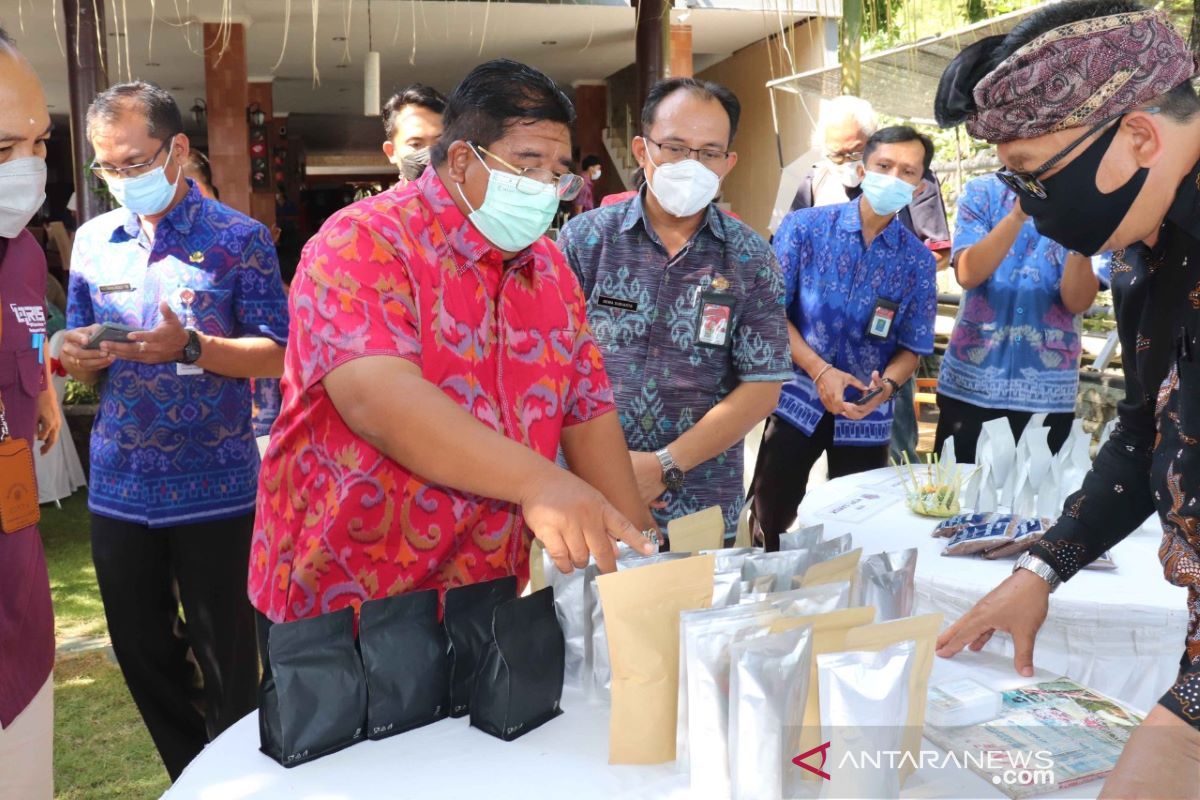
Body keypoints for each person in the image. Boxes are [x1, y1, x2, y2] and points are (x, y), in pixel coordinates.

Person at [249, 58, 657, 642]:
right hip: (343, 600)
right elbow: (377, 400)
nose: (546, 188)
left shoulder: (551, 271)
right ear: (462, 159)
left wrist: (642, 554)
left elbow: (587, 412)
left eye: (558, 173)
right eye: (528, 165)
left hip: (486, 596)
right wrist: (540, 483)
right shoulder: (362, 241)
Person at [933, 2, 1200, 794]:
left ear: (1141, 138)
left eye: (1036, 176)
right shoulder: (1143, 248)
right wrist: (1042, 569)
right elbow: (1148, 430)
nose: (1035, 211)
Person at [61, 81, 289, 781]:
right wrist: (77, 354)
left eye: (135, 162)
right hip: (121, 488)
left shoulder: (239, 239)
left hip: (217, 490)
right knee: (141, 651)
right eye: (108, 168)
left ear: (178, 150)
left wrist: (190, 347)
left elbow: (281, 351)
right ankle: (193, 781)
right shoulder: (94, 242)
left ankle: (241, 782)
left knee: (229, 664)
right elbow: (83, 363)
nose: (122, 179)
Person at [558, 78, 791, 540]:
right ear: (643, 150)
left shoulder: (751, 257)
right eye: (676, 147)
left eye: (709, 153)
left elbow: (763, 386)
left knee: (692, 611)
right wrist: (608, 470)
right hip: (584, 490)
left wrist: (664, 466)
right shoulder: (585, 241)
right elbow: (550, 366)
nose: (692, 164)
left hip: (698, 502)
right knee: (581, 610)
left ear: (728, 163)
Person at [750, 126, 938, 547]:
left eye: (907, 172)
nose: (893, 178)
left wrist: (886, 386)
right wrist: (819, 371)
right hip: (794, 400)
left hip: (865, 413)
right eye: (884, 166)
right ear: (861, 169)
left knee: (858, 529)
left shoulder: (918, 263)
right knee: (772, 515)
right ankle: (770, 597)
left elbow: (912, 347)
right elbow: (769, 312)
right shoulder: (805, 228)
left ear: (920, 185)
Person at [789, 95, 951, 467]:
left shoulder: (914, 186)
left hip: (877, 372)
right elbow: (777, 293)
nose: (844, 163)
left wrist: (895, 272)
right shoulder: (812, 190)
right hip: (801, 383)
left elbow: (938, 252)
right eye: (837, 155)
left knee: (882, 477)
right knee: (777, 501)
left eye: (852, 151)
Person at [0, 26, 62, 800]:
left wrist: (40, 385)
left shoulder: (21, 250)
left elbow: (28, 330)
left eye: (41, 142)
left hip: (16, 586)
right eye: (2, 147)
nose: (27, 168)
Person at [935, 173, 1099, 461]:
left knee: (1036, 498)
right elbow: (968, 274)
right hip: (971, 382)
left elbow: (1077, 301)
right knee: (956, 493)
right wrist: (1018, 214)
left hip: (1047, 390)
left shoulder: (1083, 198)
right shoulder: (981, 192)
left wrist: (1080, 231)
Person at [381, 83, 446, 180]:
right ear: (391, 151)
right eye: (415, 144)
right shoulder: (387, 196)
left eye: (440, 143)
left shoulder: (472, 194)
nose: (430, 155)